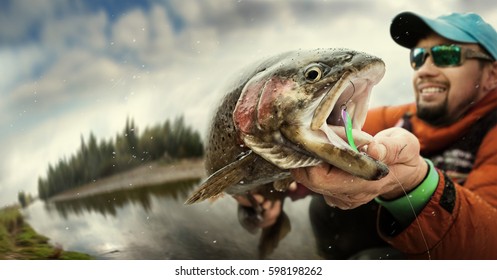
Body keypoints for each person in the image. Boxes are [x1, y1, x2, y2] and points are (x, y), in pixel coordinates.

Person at [237, 11, 497, 259]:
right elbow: (310, 141)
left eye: (446, 55)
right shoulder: (399, 117)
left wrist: (417, 183)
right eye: (418, 56)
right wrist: (268, 191)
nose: (424, 70)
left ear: (492, 75)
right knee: (327, 210)